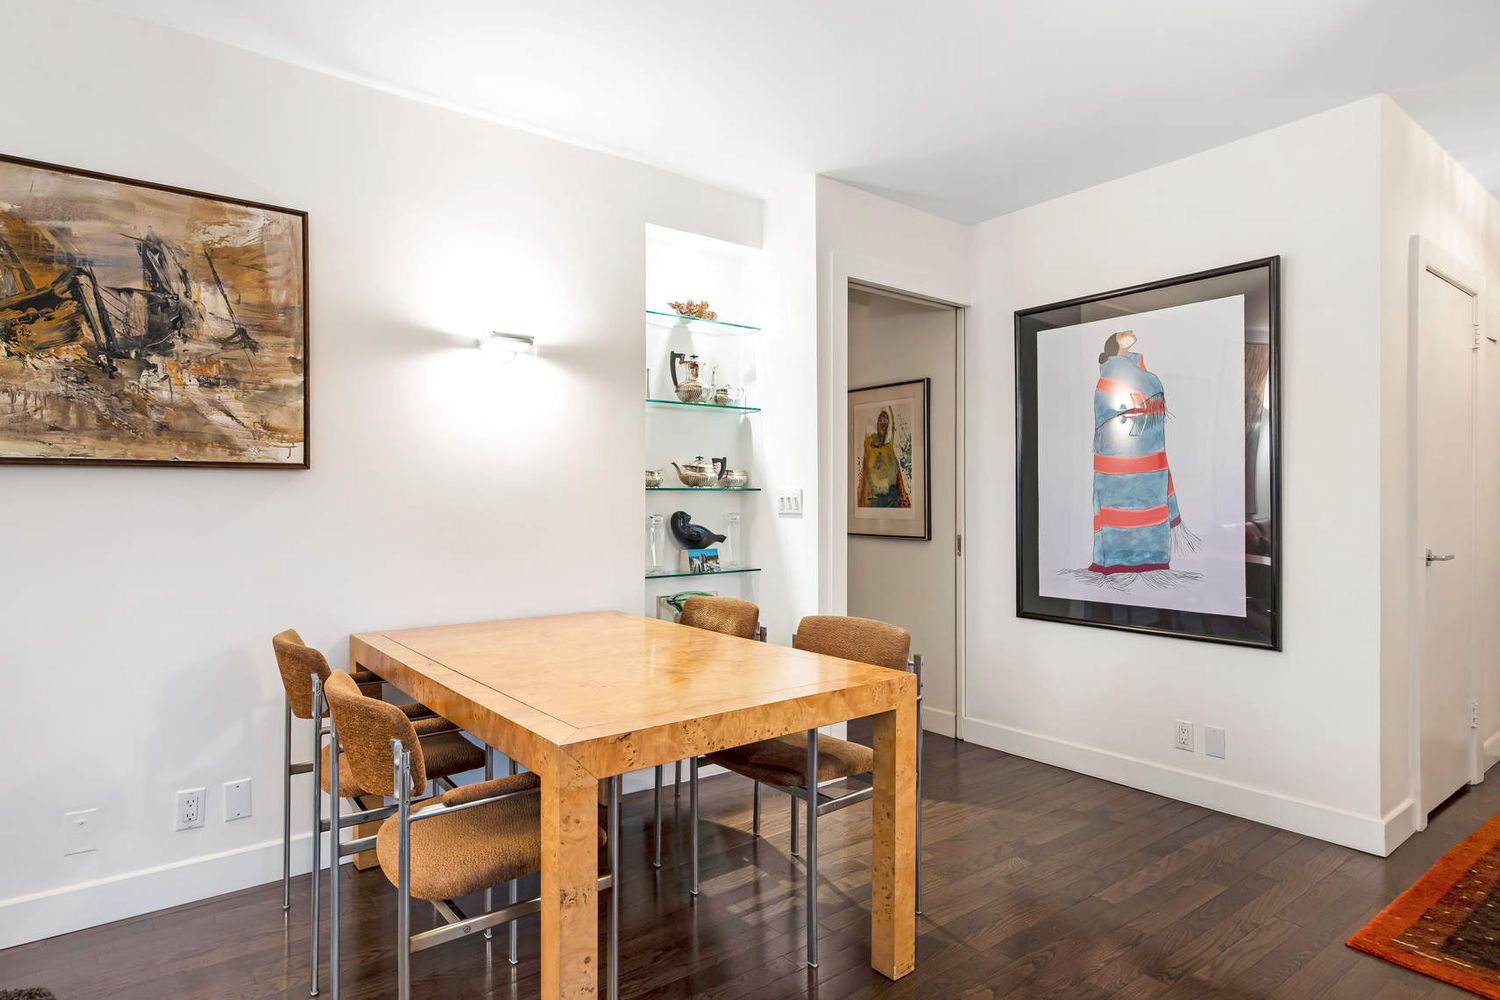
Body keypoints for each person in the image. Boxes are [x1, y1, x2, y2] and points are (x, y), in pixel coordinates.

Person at [1090, 331, 1196, 574]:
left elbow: (1153, 428)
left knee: (1147, 507)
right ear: (1115, 344)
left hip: (1150, 465)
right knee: (1116, 509)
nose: (1130, 334)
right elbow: (1105, 426)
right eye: (1122, 335)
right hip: (1114, 468)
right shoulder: (1105, 383)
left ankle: (1150, 556)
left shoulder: (1149, 380)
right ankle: (1117, 557)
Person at [858, 407, 911, 509]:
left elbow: (898, 479)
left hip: (892, 499)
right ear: (876, 423)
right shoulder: (868, 446)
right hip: (874, 501)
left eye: (886, 419)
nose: (883, 422)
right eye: (881, 419)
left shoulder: (889, 450)